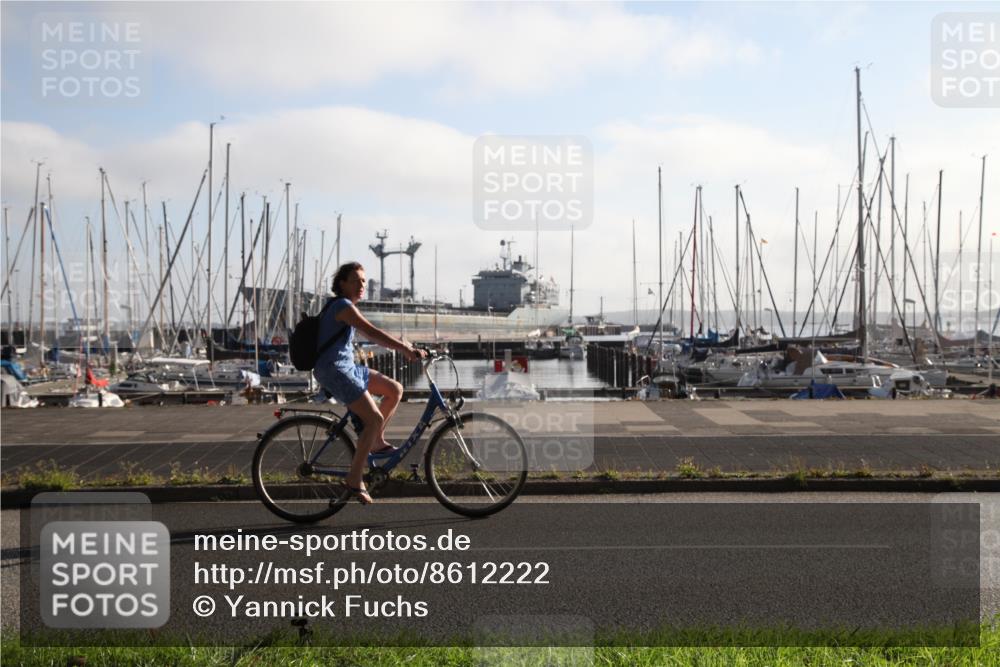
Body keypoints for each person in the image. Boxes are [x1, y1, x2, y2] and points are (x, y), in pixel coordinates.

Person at [313, 262, 425, 504]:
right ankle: (354, 478)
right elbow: (371, 332)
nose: (362, 285)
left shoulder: (346, 306)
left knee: (394, 389)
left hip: (348, 368)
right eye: (356, 280)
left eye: (364, 281)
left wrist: (407, 346)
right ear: (342, 284)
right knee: (373, 418)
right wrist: (404, 348)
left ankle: (374, 441)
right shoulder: (342, 306)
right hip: (334, 371)